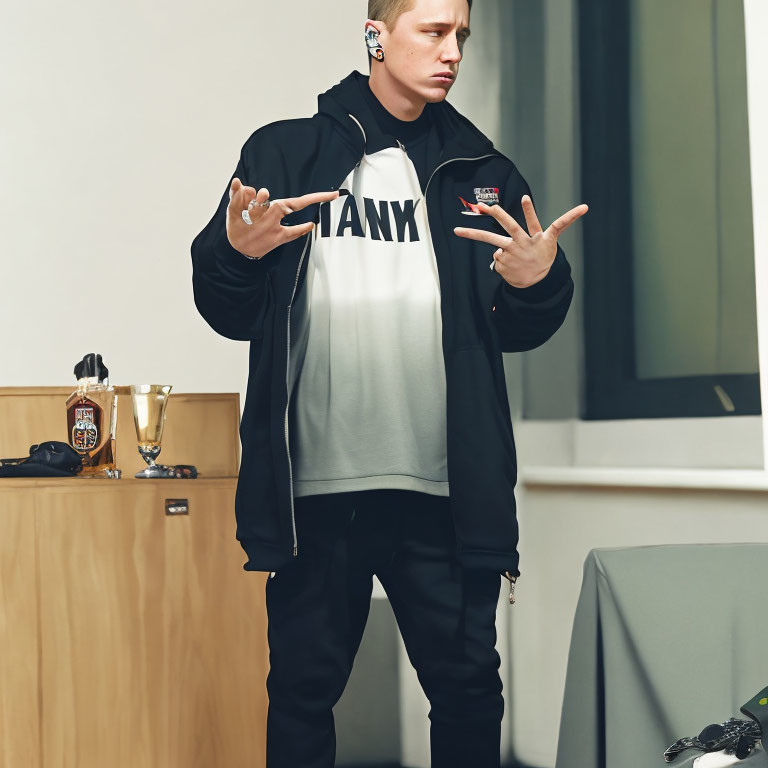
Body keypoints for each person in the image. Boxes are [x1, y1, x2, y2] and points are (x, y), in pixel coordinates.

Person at [190, 0, 588, 765]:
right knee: (302, 693)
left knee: (469, 690)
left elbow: (518, 326)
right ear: (376, 34)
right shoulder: (284, 154)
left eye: (461, 36)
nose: (453, 53)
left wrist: (539, 281)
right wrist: (237, 254)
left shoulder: (484, 173)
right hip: (317, 492)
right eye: (433, 32)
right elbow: (226, 310)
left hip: (445, 492)